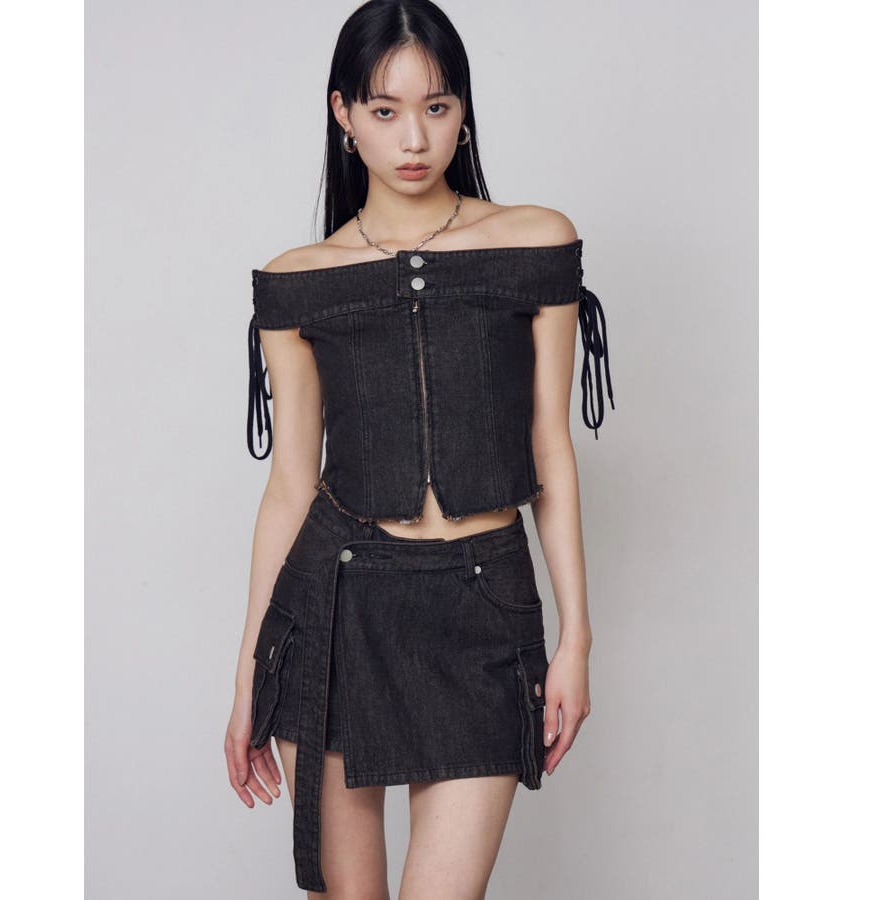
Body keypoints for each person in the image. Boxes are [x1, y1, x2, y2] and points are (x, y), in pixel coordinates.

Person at [224, 1, 615, 895]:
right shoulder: (297, 281)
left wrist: (576, 638)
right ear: (343, 114)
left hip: (483, 603)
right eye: (385, 109)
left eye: (437, 107)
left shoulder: (534, 242)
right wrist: (249, 679)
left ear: (463, 110)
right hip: (334, 608)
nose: (413, 138)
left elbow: (550, 451)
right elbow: (290, 486)